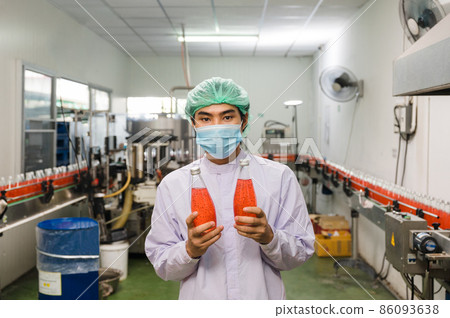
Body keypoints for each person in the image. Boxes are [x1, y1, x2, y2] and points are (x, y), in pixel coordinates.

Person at [145, 77, 314, 299]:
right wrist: (190, 251)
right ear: (193, 123)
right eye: (205, 118)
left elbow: (301, 252)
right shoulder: (174, 185)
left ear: (243, 121)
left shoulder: (279, 177)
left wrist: (269, 238)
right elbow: (162, 262)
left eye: (227, 116)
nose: (217, 126)